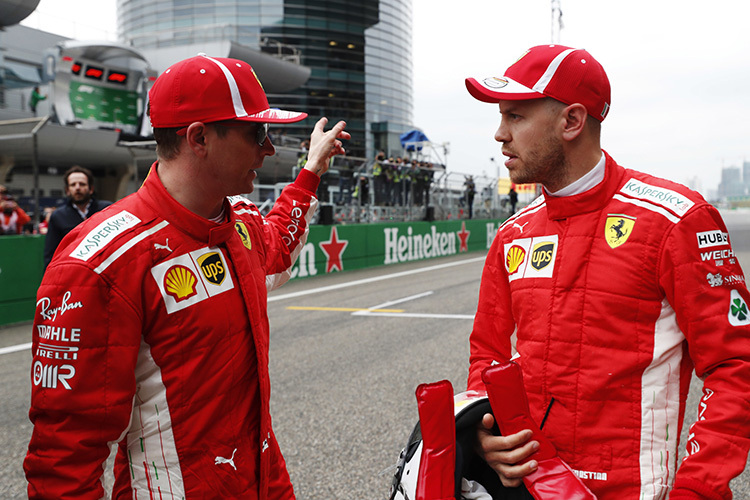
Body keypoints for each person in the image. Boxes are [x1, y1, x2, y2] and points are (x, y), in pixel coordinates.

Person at [24, 53, 350, 499]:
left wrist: (311, 172)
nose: (269, 148)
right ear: (199, 138)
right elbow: (63, 457)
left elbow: (277, 246)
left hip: (263, 478)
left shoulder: (241, 222)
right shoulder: (101, 263)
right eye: (257, 132)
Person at [464, 44, 750, 499]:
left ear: (572, 122)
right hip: (526, 487)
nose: (500, 134)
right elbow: (488, 357)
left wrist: (697, 487)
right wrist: (480, 433)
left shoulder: (675, 220)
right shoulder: (511, 235)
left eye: (515, 116)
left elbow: (737, 365)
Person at [42, 166, 112, 270]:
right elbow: (51, 254)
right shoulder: (58, 216)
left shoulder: (107, 209)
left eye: (82, 184)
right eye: (73, 185)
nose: (77, 187)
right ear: (67, 190)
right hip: (74, 272)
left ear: (91, 189)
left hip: (105, 270)